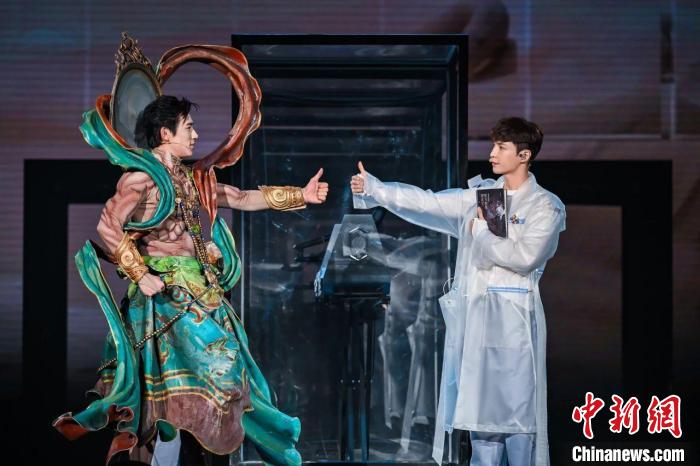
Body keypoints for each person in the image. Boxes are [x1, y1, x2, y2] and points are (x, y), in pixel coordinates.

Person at [54, 95, 328, 466]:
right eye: (189, 127)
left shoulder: (189, 178)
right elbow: (108, 226)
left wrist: (301, 195)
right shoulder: (141, 178)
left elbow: (239, 197)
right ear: (166, 133)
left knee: (210, 386)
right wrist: (140, 274)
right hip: (167, 296)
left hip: (201, 289)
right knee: (196, 383)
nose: (196, 135)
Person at [351, 117, 565, 466]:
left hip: (514, 323)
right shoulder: (483, 197)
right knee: (480, 421)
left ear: (524, 155)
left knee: (518, 420)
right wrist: (376, 189)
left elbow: (525, 257)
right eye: (493, 146)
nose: (492, 153)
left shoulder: (544, 205)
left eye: (502, 147)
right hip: (477, 323)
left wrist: (481, 233)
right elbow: (429, 202)